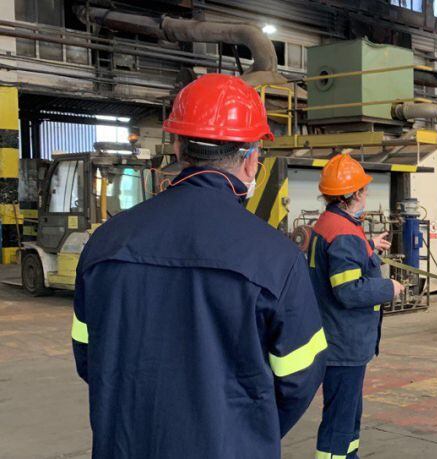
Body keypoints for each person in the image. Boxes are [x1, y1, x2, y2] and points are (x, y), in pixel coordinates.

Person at [72, 74, 326, 458]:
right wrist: (246, 425)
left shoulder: (105, 243)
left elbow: (90, 357)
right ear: (253, 158)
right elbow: (299, 377)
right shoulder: (276, 258)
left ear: (176, 146)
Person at [308, 153, 405, 458]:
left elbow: (340, 260)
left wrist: (369, 245)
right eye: (363, 190)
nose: (366, 194)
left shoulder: (330, 223)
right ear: (353, 195)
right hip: (344, 342)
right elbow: (349, 290)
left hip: (335, 336)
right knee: (341, 419)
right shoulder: (345, 234)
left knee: (349, 415)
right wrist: (389, 287)